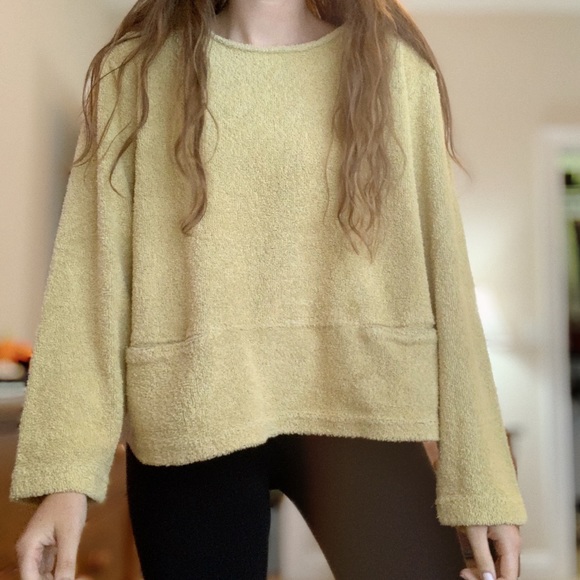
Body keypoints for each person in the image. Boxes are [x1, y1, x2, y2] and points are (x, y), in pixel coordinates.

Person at [9, 0, 527, 578]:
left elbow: (446, 275)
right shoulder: (135, 73)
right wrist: (64, 478)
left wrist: (483, 482)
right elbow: (88, 284)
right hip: (192, 416)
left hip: (363, 405)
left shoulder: (395, 70)